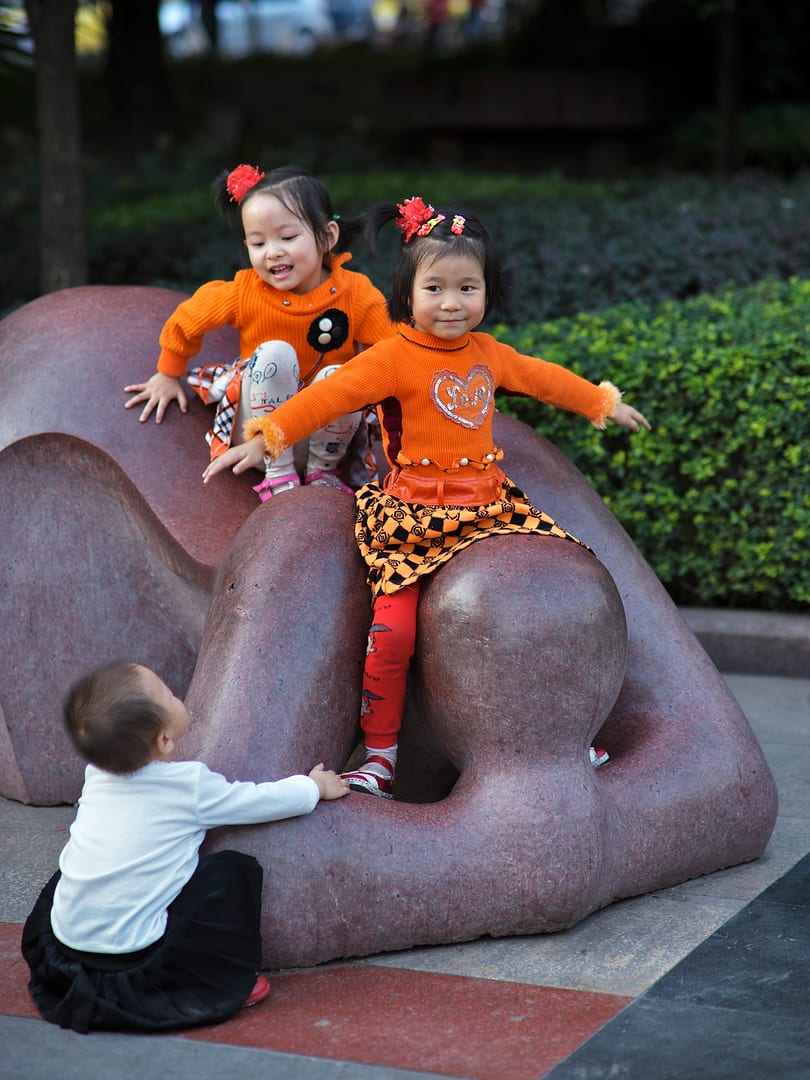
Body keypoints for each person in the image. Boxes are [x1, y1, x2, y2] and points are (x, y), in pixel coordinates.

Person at [200, 196, 651, 798]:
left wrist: (601, 403)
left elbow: (543, 378)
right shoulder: (393, 357)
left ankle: (558, 736)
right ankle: (381, 757)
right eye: (435, 288)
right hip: (414, 515)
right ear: (407, 294)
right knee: (392, 635)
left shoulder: (488, 354)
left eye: (468, 288)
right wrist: (268, 435)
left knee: (551, 594)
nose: (451, 303)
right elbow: (328, 398)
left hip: (490, 506)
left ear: (487, 292)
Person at [21, 661, 349, 1033]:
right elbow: (257, 801)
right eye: (169, 694)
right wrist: (313, 787)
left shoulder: (96, 775)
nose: (177, 694)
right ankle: (221, 979)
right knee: (230, 872)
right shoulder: (189, 785)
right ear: (164, 740)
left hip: (66, 950)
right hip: (138, 959)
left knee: (72, 870)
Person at [124, 164, 396, 500]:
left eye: (288, 237)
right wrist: (168, 373)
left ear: (328, 236)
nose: (273, 252)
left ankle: (323, 472)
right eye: (258, 242)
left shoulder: (356, 293)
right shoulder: (246, 292)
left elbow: (392, 350)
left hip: (325, 435)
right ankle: (278, 472)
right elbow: (188, 319)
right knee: (275, 353)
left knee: (342, 375)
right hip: (257, 432)